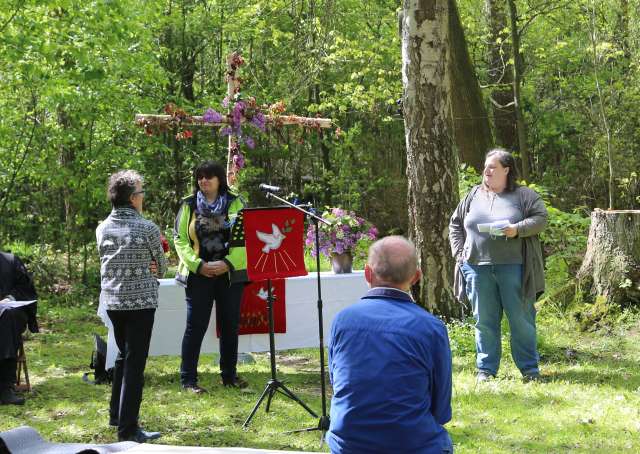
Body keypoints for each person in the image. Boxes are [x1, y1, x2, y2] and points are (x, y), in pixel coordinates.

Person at [327, 236, 453, 454]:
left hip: (348, 444)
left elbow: (337, 382)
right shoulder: (430, 328)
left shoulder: (342, 320)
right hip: (412, 445)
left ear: (367, 273)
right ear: (416, 277)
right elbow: (441, 410)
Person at [449, 148, 547, 382]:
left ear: (506, 170)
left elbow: (541, 219)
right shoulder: (473, 195)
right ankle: (486, 369)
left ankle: (529, 370)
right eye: (486, 166)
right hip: (476, 267)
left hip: (515, 268)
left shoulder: (524, 195)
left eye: (492, 167)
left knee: (521, 320)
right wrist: (460, 254)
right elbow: (455, 224)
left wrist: (517, 230)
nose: (486, 171)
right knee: (484, 321)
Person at [96, 170, 167, 443]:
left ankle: (116, 413)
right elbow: (161, 268)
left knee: (124, 356)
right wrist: (151, 265)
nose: (143, 197)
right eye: (141, 192)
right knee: (135, 363)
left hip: (113, 301)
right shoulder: (148, 228)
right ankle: (128, 430)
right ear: (132, 198)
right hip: (140, 303)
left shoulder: (102, 228)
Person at [174, 160, 248, 392]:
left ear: (219, 180)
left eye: (209, 176)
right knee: (195, 327)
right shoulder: (187, 205)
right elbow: (179, 239)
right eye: (200, 177)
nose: (203, 181)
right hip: (198, 276)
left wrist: (228, 263)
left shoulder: (236, 202)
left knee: (229, 326)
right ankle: (188, 380)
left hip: (229, 275)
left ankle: (229, 376)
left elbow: (246, 238)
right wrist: (198, 265)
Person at [0, 251, 38, 406]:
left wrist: (8, 299)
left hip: (9, 314)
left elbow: (26, 289)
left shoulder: (11, 261)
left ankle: (5, 388)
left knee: (8, 319)